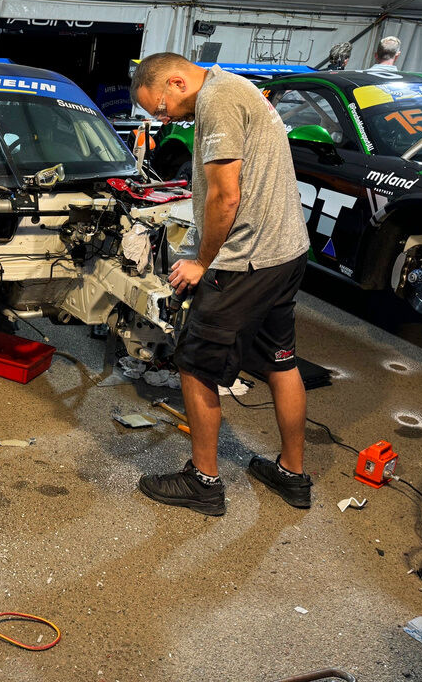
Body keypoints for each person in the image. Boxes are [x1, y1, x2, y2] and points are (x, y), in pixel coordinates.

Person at [129, 53, 312, 516]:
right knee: (279, 359)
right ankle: (292, 475)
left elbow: (225, 195)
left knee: (194, 363)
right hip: (286, 250)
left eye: (162, 109)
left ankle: (204, 482)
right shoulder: (234, 87)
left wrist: (201, 261)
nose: (164, 119)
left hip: (245, 259)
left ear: (175, 80)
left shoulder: (217, 100)